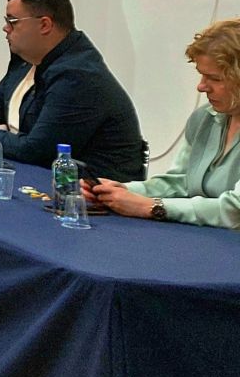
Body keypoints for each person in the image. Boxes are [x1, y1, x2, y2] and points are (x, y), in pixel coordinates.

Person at [0, 0, 144, 179]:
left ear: (44, 25)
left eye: (12, 21)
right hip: (36, 175)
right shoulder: (26, 63)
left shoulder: (78, 75)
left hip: (90, 191)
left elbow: (37, 150)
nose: (5, 28)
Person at [87, 18, 240, 227]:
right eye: (202, 76)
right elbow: (182, 181)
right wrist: (120, 191)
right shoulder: (205, 118)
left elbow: (234, 210)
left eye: (214, 79)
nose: (201, 86)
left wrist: (152, 206)